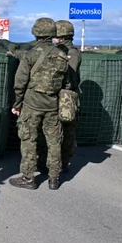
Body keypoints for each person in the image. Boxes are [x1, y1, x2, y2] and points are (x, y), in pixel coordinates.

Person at [8, 17, 73, 191]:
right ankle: (53, 178)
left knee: (29, 140)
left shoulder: (30, 55)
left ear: (35, 33)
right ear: (52, 34)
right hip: (53, 106)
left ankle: (29, 178)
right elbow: (67, 85)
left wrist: (17, 103)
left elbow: (19, 82)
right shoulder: (62, 56)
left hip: (31, 105)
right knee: (54, 142)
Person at [53, 20, 81, 173]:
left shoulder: (72, 53)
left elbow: (70, 72)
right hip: (58, 94)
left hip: (67, 97)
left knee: (67, 131)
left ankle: (63, 162)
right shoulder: (58, 50)